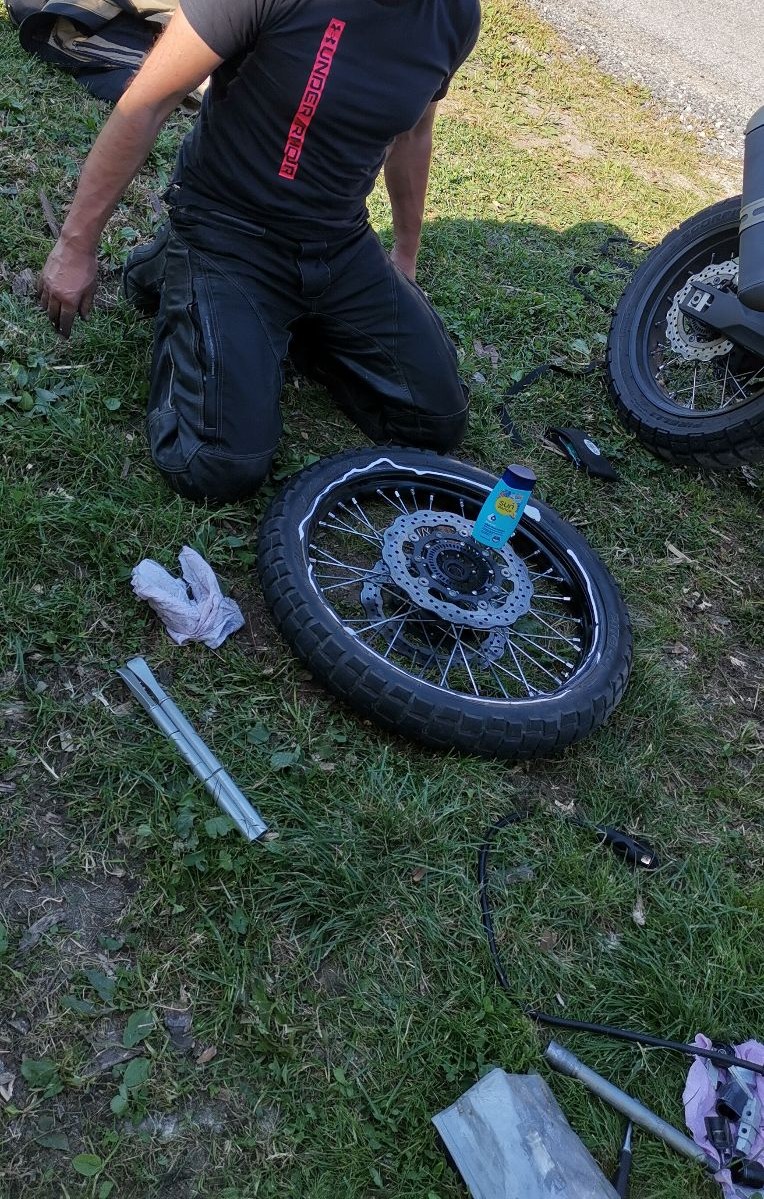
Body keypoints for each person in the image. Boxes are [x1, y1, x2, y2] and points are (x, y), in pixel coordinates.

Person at [39, 0, 481, 501]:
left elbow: (415, 134)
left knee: (435, 420)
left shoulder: (453, 16)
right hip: (229, 227)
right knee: (217, 465)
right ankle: (174, 271)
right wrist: (76, 246)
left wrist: (405, 255)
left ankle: (264, 317)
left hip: (339, 241)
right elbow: (147, 104)